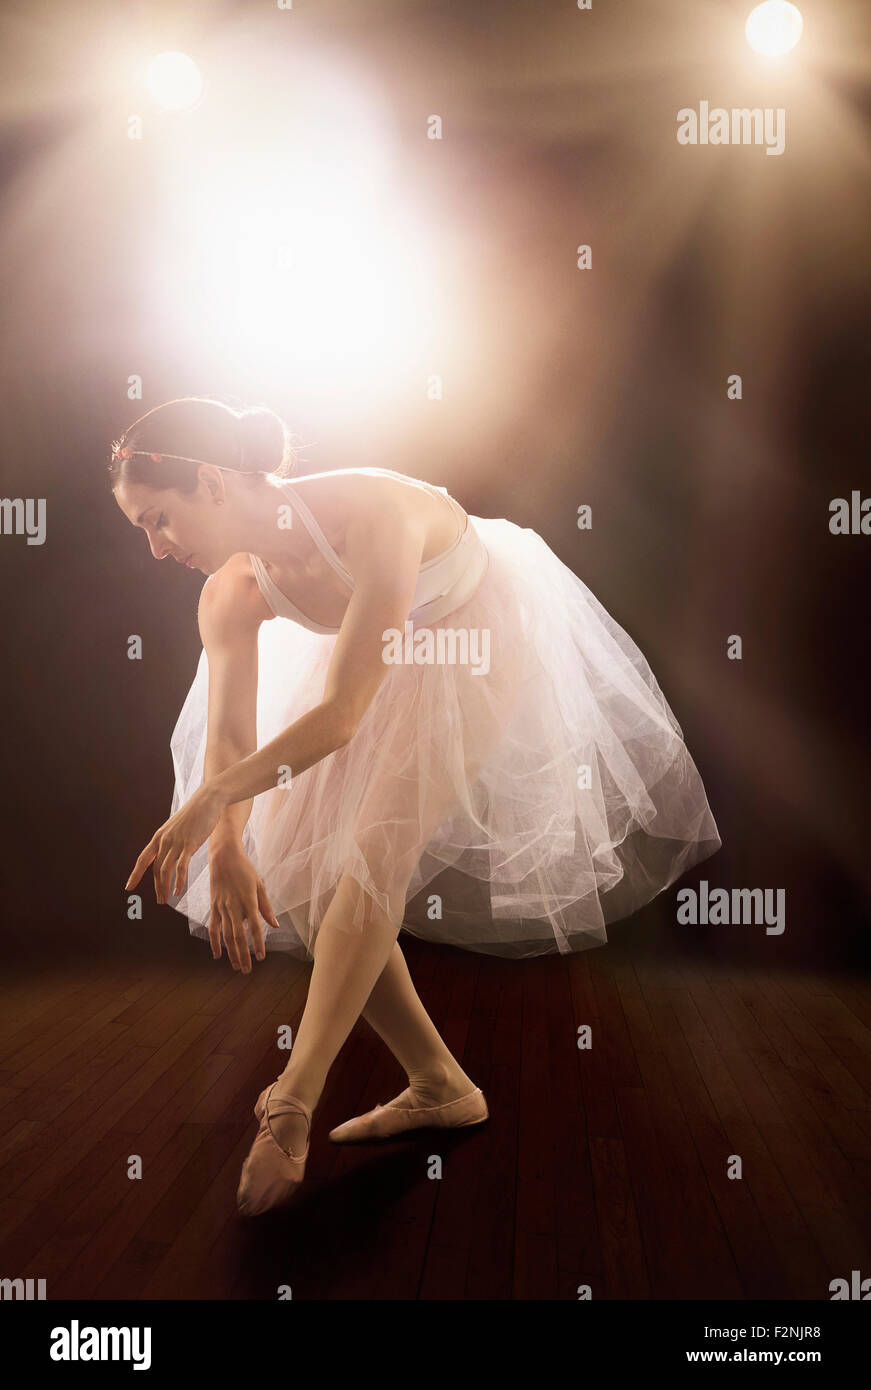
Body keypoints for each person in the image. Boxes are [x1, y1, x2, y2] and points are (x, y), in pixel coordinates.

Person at [112, 395, 721, 1216]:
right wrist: (227, 844)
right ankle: (439, 1083)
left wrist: (219, 800)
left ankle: (289, 1104)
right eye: (142, 531)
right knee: (302, 886)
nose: (156, 549)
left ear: (212, 483)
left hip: (468, 634)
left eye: (159, 520)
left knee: (370, 864)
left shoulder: (371, 513)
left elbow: (342, 714)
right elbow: (228, 737)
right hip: (370, 655)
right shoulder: (228, 595)